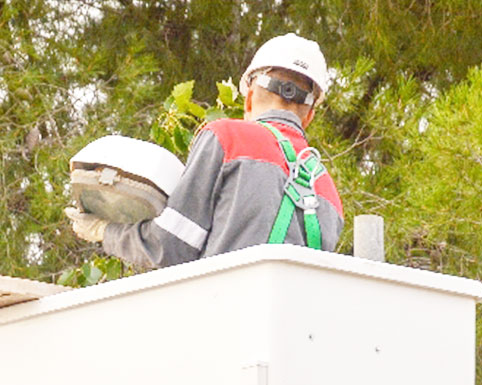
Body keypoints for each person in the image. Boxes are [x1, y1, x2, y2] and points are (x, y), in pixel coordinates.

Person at [66, 33, 343, 267]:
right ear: (309, 116)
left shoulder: (228, 138)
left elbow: (171, 246)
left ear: (248, 97)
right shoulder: (328, 190)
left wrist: (105, 231)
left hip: (223, 318)